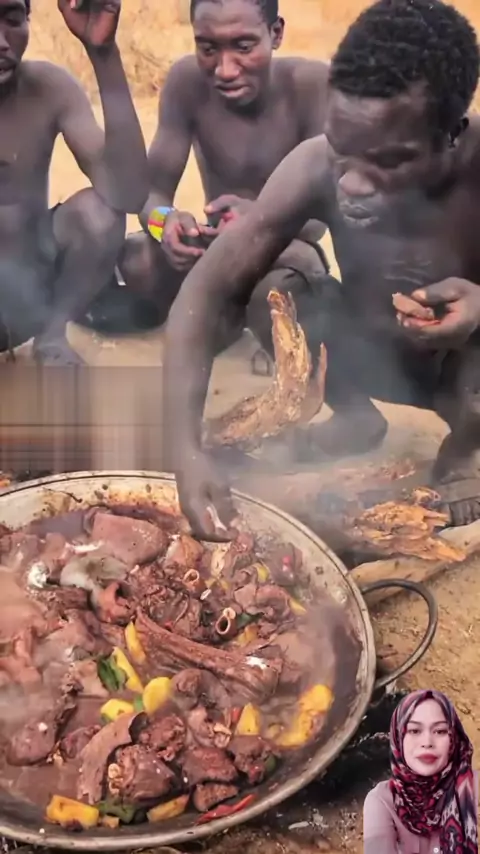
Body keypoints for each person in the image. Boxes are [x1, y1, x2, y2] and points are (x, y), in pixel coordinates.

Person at [164, 0, 480, 537]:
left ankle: (468, 447)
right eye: (342, 148)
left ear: (451, 133)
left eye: (389, 159)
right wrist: (185, 451)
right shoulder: (314, 165)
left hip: (461, 372)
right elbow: (205, 293)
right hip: (366, 352)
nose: (352, 182)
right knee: (273, 287)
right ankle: (356, 415)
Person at [116, 0, 332, 345]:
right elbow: (150, 195)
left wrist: (260, 221)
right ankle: (213, 324)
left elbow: (322, 214)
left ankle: (245, 328)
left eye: (243, 47)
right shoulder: (186, 82)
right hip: (213, 247)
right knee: (137, 257)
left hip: (283, 249)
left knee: (284, 285)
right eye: (208, 48)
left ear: (275, 33)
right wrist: (166, 223)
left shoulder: (312, 86)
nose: (225, 70)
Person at [0, 0, 148, 364]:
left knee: (99, 215)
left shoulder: (48, 88)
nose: (2, 42)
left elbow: (127, 194)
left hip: (29, 298)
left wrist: (104, 54)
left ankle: (52, 336)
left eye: (12, 19)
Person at [363, 689, 478, 854]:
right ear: (398, 737)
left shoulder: (474, 790)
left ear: (454, 737)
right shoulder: (382, 801)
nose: (427, 742)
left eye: (440, 731)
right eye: (414, 731)